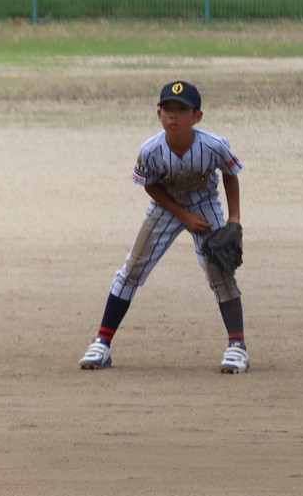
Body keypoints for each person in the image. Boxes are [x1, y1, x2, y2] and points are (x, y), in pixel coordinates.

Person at [79, 80, 250, 373]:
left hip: (205, 205)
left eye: (182, 110)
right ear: (158, 114)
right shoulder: (150, 149)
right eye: (167, 109)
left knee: (220, 272)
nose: (173, 116)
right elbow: (151, 186)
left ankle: (237, 347)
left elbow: (230, 173)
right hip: (166, 207)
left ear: (197, 117)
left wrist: (234, 219)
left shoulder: (213, 144)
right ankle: (102, 343)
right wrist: (183, 215)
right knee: (132, 269)